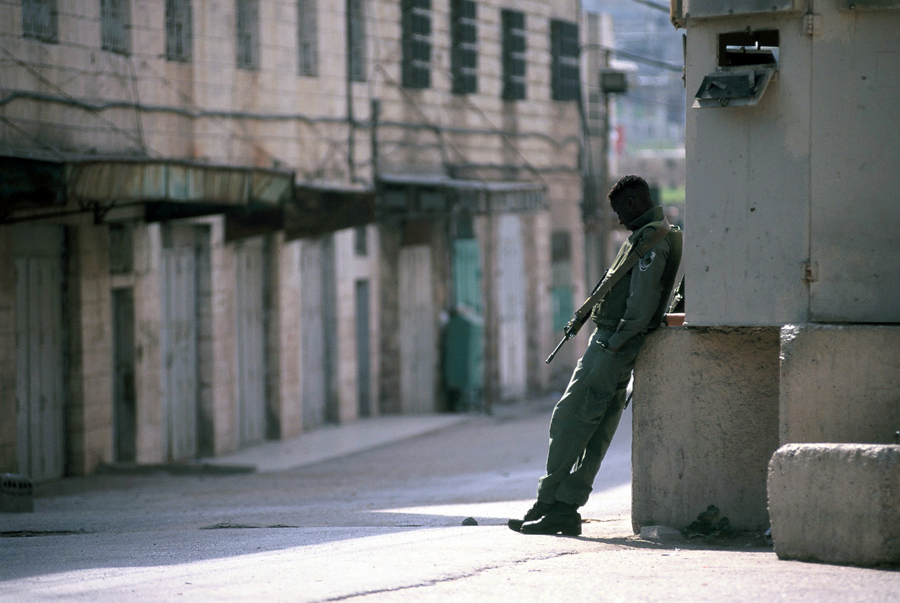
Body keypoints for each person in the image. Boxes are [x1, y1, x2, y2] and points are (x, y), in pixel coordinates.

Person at [510, 175, 683, 536]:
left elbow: (641, 304)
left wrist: (615, 343)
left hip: (611, 347)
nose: (618, 219)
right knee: (595, 429)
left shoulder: (652, 240)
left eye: (620, 211)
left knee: (569, 421)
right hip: (613, 345)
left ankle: (550, 503)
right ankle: (561, 507)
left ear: (634, 203)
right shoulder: (648, 235)